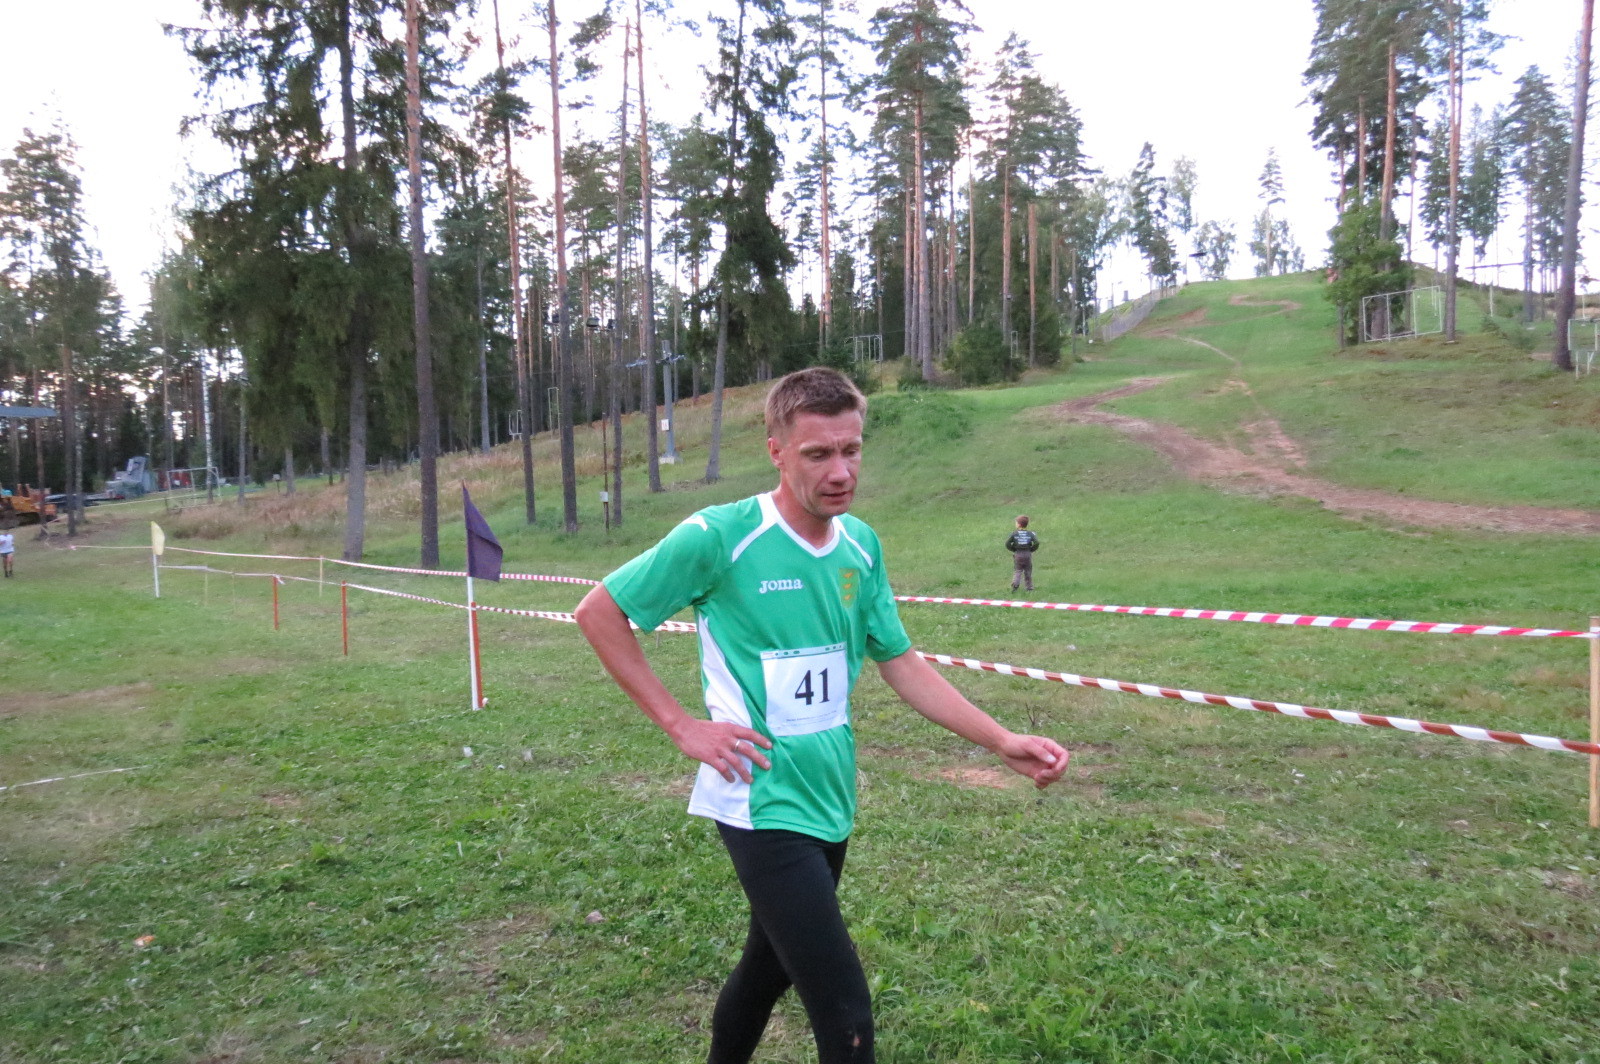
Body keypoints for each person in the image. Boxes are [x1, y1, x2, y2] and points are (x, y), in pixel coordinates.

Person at [575, 367, 1070, 1064]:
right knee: (846, 1015)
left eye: (851, 449)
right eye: (818, 454)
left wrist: (1000, 739)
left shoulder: (860, 545)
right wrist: (682, 726)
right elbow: (599, 612)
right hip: (759, 797)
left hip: (829, 792)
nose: (841, 471)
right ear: (776, 451)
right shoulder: (720, 535)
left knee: (767, 968)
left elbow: (900, 661)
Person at [1005, 515, 1038, 593]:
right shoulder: (1030, 534)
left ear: (1019, 524)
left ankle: (1015, 586)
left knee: (1018, 570)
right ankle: (1029, 588)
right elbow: (1036, 542)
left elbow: (1007, 543)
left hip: (1018, 554)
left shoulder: (1014, 534)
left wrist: (1013, 549)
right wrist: (1031, 549)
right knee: (1028, 570)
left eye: (1016, 523)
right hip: (1027, 554)